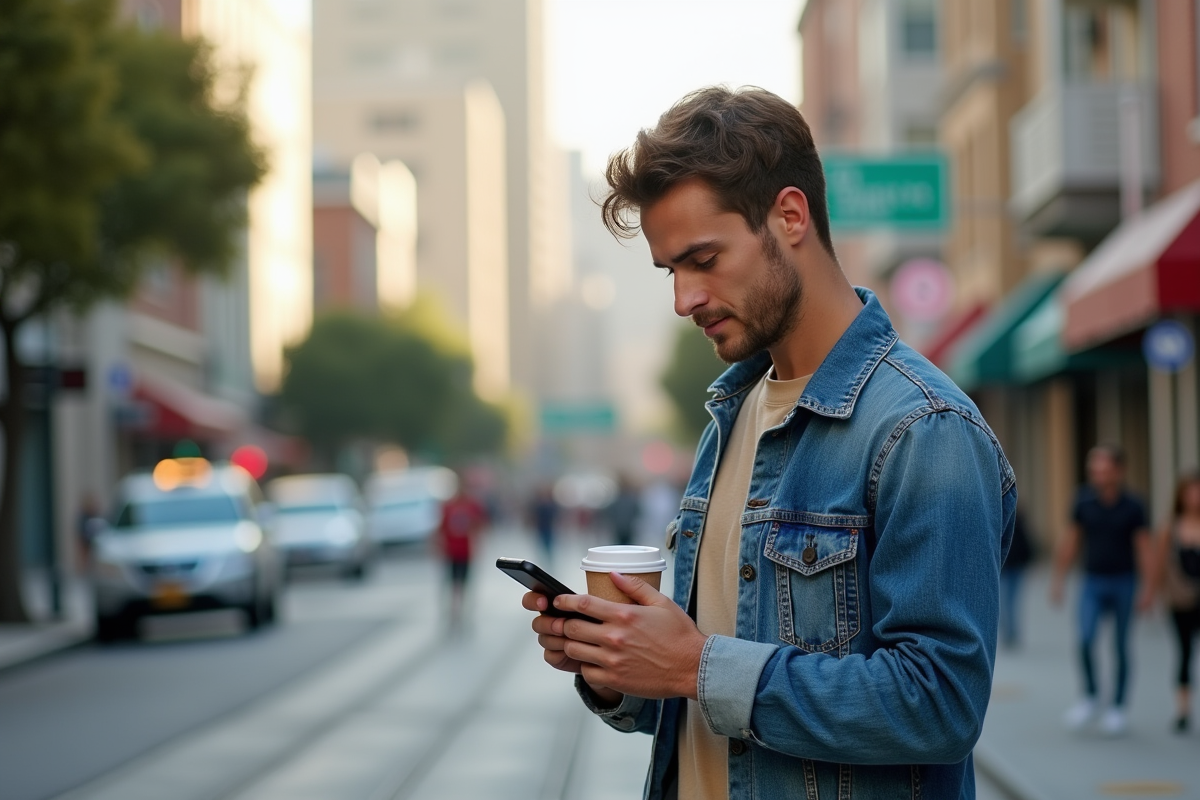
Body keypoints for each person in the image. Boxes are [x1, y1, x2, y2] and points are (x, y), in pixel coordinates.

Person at [519, 87, 1016, 800]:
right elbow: (701, 691)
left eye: (704, 259)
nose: (684, 299)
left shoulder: (922, 428)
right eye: (671, 271)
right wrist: (616, 665)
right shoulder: (730, 417)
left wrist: (694, 666)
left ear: (789, 216)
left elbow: (940, 704)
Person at [1050, 444, 1150, 736]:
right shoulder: (1083, 501)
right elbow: (1071, 540)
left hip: (1124, 581)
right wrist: (1058, 580)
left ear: (1119, 471)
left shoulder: (1134, 505)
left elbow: (1145, 548)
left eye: (1104, 469)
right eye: (1094, 469)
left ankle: (1118, 707)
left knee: (1120, 645)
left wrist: (1150, 590)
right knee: (1084, 638)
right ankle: (1090, 697)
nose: (1098, 475)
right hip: (1091, 582)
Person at [1143, 472, 1200, 733]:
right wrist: (1151, 594)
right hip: (1180, 599)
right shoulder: (1171, 527)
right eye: (1191, 492)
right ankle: (1183, 710)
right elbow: (1159, 564)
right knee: (1185, 652)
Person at [437, 475, 487, 628]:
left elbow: (480, 525)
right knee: (452, 582)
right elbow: (441, 528)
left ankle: (463, 609)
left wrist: (477, 543)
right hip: (451, 551)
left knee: (464, 583)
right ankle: (453, 611)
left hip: (466, 551)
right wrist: (438, 547)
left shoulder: (472, 505)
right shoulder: (448, 506)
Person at [999, 511, 1034, 648]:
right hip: (1009, 569)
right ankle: (1010, 632)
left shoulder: (1012, 525)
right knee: (1009, 602)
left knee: (1009, 602)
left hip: (1012, 568)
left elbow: (1026, 547)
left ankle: (1011, 632)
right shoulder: (1018, 525)